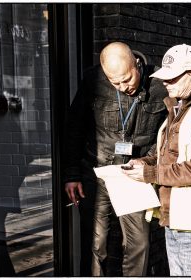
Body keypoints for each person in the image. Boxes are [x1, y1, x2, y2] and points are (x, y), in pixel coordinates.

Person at [123, 44, 191, 276]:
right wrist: (146, 162)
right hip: (178, 217)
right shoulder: (183, 106)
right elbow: (171, 154)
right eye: (165, 78)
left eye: (173, 78)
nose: (166, 83)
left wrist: (152, 174)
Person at [62, 42, 168, 276]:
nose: (122, 87)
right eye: (115, 82)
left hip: (133, 175)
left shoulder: (159, 85)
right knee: (95, 244)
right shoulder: (93, 81)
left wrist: (149, 163)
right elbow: (74, 128)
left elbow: (166, 135)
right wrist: (72, 174)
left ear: (136, 65)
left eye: (127, 79)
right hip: (96, 173)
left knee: (139, 243)